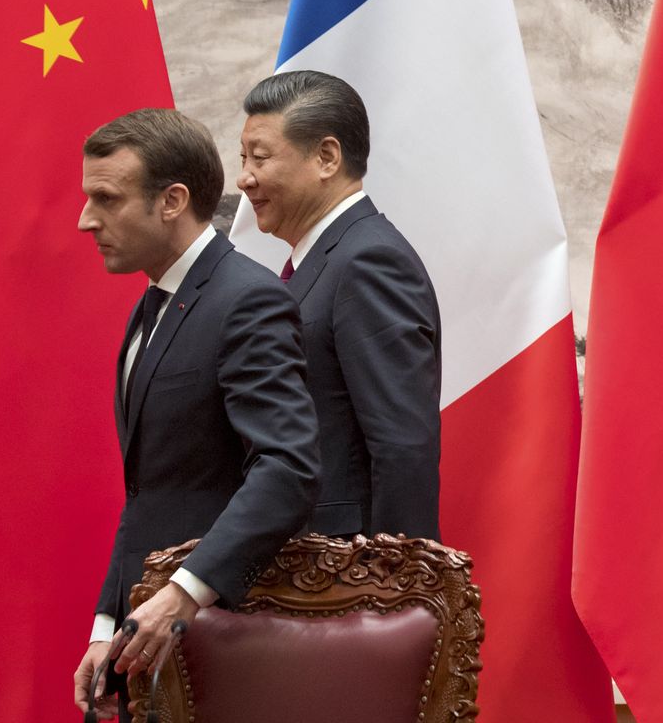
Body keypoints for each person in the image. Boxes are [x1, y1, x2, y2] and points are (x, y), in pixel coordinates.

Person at [70, 108, 320, 719]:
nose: (85, 219)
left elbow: (288, 468)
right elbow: (149, 491)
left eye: (107, 198)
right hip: (151, 642)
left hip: (222, 645)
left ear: (172, 201)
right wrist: (107, 624)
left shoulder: (248, 300)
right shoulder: (152, 303)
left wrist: (185, 592)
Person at [238, 71, 441, 540]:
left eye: (260, 158)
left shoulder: (369, 261)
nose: (244, 178)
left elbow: (402, 446)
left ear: (327, 157)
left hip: (348, 566)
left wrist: (394, 575)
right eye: (242, 157)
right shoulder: (325, 259)